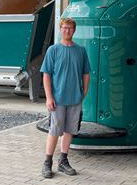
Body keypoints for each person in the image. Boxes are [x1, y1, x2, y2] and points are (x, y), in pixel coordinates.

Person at [40, 18, 91, 178]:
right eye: (64, 28)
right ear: (60, 29)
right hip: (58, 99)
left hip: (75, 99)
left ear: (74, 30)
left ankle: (63, 161)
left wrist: (84, 93)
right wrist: (49, 97)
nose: (67, 30)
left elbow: (86, 74)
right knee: (54, 130)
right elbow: (46, 75)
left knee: (70, 130)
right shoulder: (53, 50)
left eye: (70, 28)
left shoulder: (81, 51)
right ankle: (47, 163)